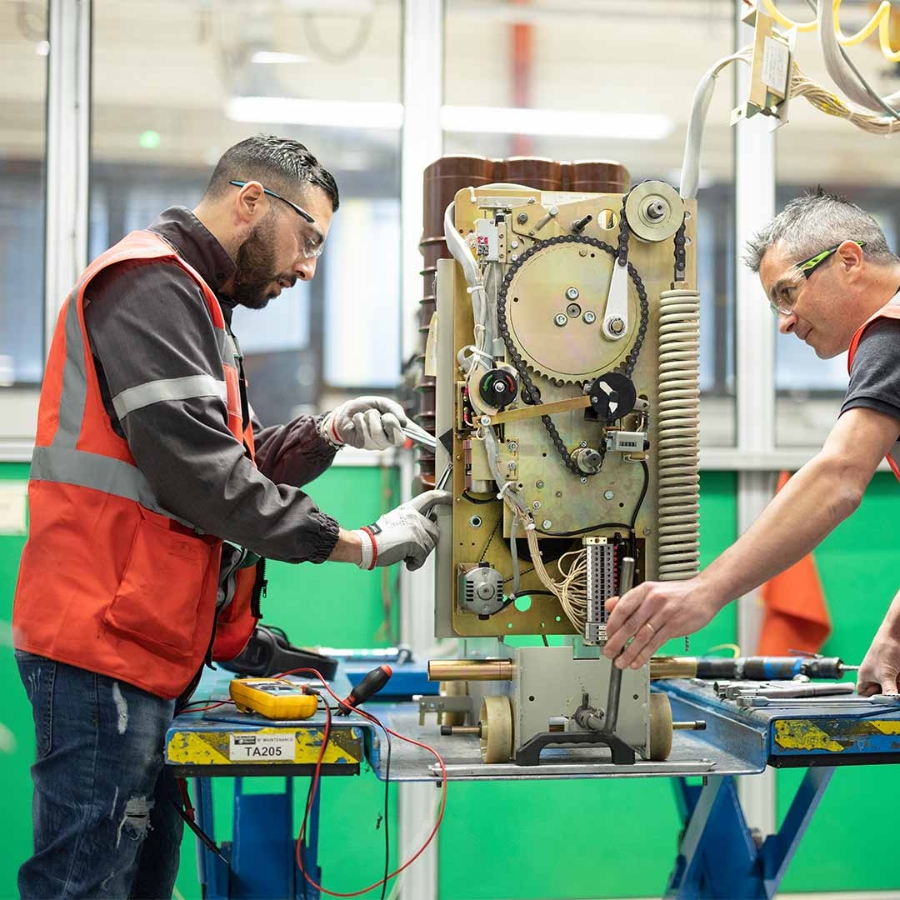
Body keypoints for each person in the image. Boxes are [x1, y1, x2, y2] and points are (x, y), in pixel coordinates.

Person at [12, 134, 449, 899]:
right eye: (307, 239)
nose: (308, 267)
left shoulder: (199, 304)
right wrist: (359, 545)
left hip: (141, 645)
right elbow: (204, 480)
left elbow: (226, 458)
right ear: (251, 200)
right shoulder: (148, 285)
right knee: (86, 885)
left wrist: (328, 432)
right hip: (99, 649)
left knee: (140, 882)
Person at [603, 190, 900, 696]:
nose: (784, 321)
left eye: (787, 294)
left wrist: (705, 590)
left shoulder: (889, 335)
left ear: (848, 260)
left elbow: (839, 478)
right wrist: (895, 636)